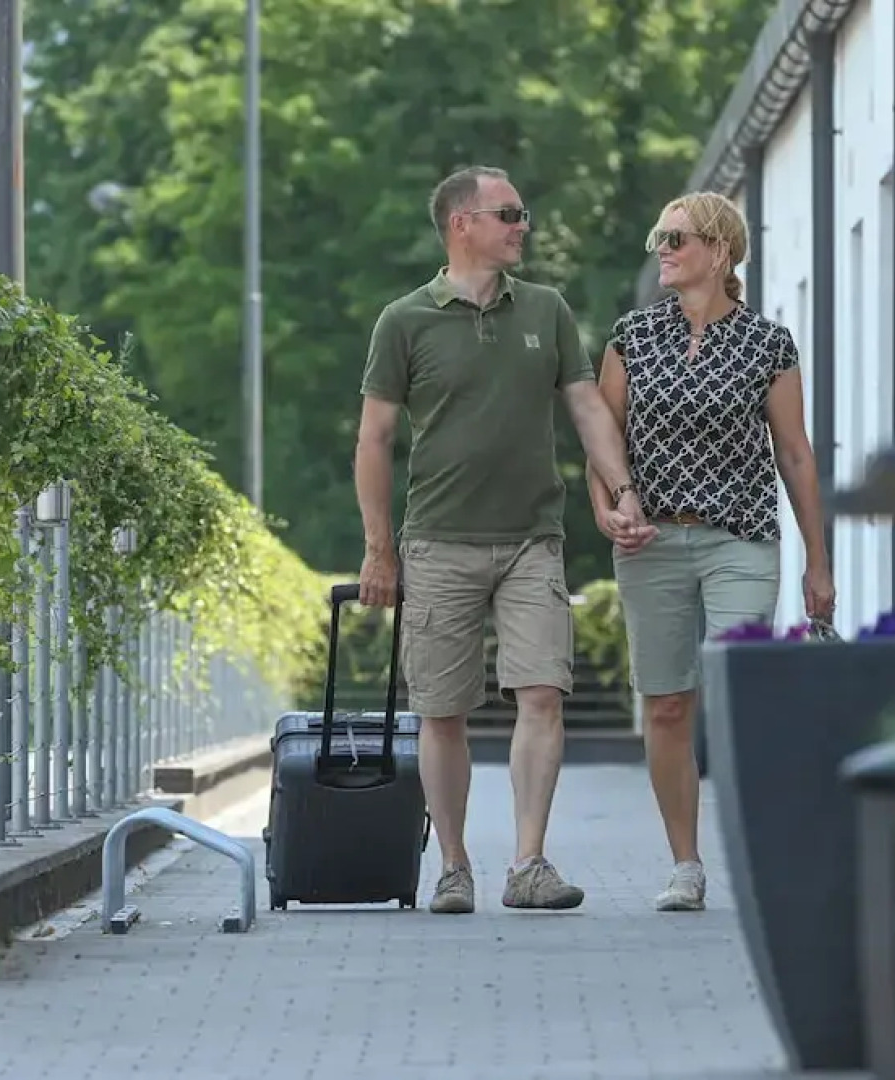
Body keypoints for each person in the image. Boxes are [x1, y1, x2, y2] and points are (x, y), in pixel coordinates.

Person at [356, 165, 651, 915]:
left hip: (532, 539)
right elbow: (375, 438)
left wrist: (621, 490)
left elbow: (587, 409)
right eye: (510, 213)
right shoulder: (404, 320)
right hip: (439, 542)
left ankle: (529, 863)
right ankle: (453, 866)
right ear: (463, 224)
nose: (524, 225)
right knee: (442, 711)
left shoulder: (546, 311)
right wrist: (378, 548)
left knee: (543, 691)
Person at [587, 191, 835, 912]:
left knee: (741, 695)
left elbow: (795, 454)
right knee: (666, 704)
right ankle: (686, 866)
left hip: (742, 538)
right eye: (658, 238)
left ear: (720, 250)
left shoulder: (768, 344)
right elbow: (603, 446)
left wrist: (819, 562)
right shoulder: (632, 337)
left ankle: (762, 857)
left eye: (677, 238)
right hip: (651, 541)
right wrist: (606, 511)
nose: (662, 249)